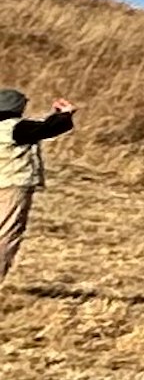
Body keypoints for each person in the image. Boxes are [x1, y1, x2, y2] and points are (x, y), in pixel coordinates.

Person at [0, 88, 71, 287]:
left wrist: (57, 117)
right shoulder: (16, 128)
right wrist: (65, 114)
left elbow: (42, 127)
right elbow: (47, 129)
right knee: (7, 233)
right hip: (12, 187)